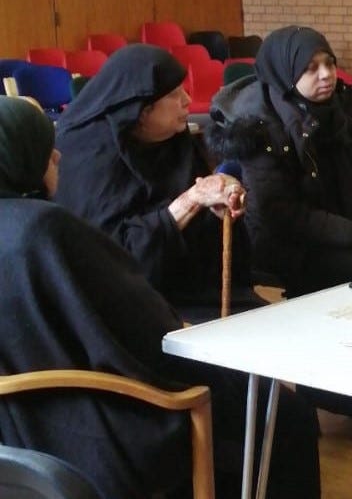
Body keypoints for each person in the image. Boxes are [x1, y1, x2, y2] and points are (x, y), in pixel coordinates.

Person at [0, 95, 321, 499]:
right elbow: (147, 338)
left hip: (18, 445)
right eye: (46, 151)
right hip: (109, 434)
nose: (59, 157)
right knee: (284, 416)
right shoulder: (46, 231)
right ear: (20, 157)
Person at [206, 25, 352, 299]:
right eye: (311, 68)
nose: (326, 75)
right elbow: (283, 214)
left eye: (329, 64)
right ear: (287, 73)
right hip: (289, 242)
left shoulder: (342, 103)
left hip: (346, 222)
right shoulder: (259, 126)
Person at [53, 44, 262, 324]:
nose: (188, 100)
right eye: (174, 95)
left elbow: (202, 219)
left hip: (192, 287)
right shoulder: (89, 156)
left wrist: (221, 202)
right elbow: (110, 261)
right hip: (127, 304)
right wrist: (189, 203)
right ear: (140, 109)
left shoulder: (173, 142)